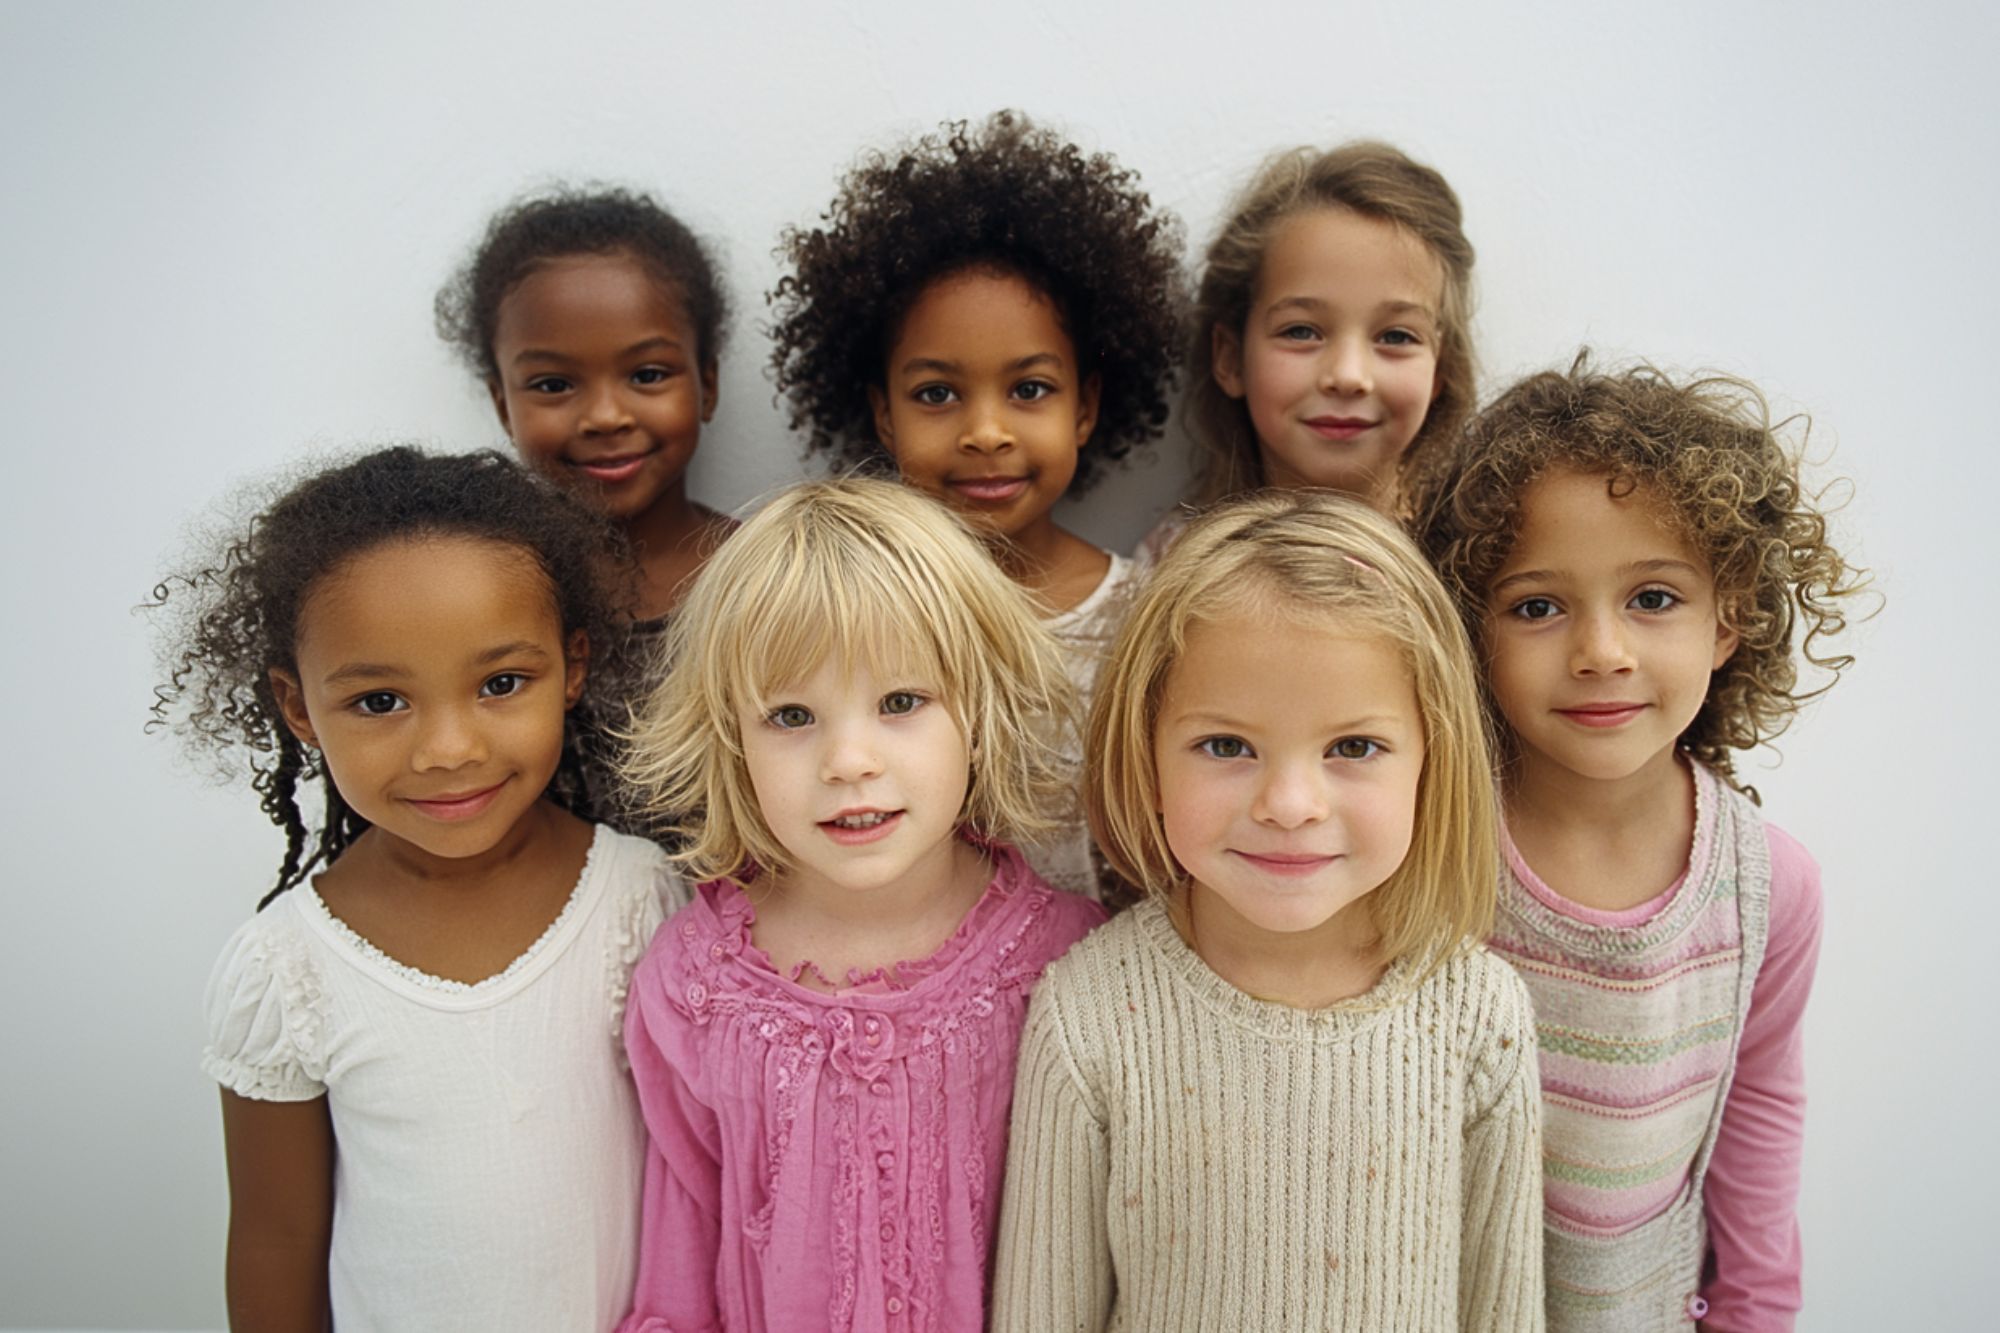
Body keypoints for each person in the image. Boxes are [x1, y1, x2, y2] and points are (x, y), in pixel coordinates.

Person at [992, 489, 1545, 1331]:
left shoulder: (1481, 1017)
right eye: (1227, 745)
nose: (1289, 805)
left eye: (1353, 746)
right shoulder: (1089, 1015)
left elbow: (1504, 1311)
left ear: (1431, 759)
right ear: (1147, 754)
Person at [159, 447, 683, 1329]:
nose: (449, 749)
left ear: (574, 666)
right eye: (379, 702)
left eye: (501, 683)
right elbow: (275, 1242)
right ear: (298, 707)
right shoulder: (285, 971)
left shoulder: (646, 902)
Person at [1410, 357, 1869, 1330]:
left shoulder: (1768, 885)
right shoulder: (1430, 838)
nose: (1601, 651)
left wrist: (1752, 1311)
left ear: (1729, 617)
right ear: (1471, 631)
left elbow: (1759, 1105)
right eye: (1537, 606)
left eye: (1652, 598)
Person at [615, 478, 1107, 1332]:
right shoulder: (691, 987)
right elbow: (679, 1258)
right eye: (791, 715)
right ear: (729, 739)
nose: (848, 760)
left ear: (980, 710)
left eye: (900, 702)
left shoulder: (1068, 965)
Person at [769, 111, 1185, 897]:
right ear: (883, 412)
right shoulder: (848, 613)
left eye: (1030, 389)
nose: (986, 431)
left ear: (1086, 407)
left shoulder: (1142, 615)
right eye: (937, 393)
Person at [438, 188, 736, 823]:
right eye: (554, 384)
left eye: (647, 375)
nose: (605, 416)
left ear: (707, 383)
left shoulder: (770, 573)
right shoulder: (489, 596)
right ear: (502, 404)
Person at [1139, 140, 1476, 564]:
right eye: (1301, 331)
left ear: (1441, 366)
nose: (1349, 376)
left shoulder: (1474, 563)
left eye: (1395, 337)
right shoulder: (1178, 564)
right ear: (1230, 358)